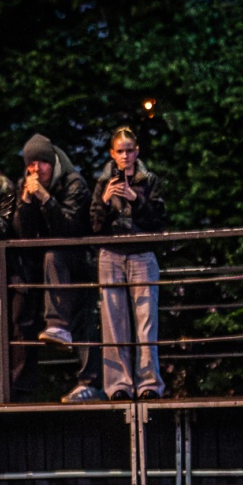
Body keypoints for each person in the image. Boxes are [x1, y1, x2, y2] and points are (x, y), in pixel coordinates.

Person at [10, 133, 99, 403]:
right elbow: (24, 236)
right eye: (31, 164)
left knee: (84, 320)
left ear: (53, 162)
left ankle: (90, 382)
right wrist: (26, 203)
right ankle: (20, 391)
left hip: (78, 261)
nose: (36, 169)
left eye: (42, 162)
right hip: (46, 269)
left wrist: (46, 198)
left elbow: (67, 230)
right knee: (22, 316)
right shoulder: (25, 186)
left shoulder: (74, 183)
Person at [90, 127, 168, 401]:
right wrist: (104, 200)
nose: (125, 156)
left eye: (129, 150)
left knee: (147, 323)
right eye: (120, 151)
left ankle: (149, 384)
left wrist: (136, 199)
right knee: (113, 323)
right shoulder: (103, 182)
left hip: (142, 253)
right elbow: (94, 227)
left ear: (137, 152)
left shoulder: (149, 181)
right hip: (111, 255)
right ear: (112, 153)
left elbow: (158, 220)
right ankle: (118, 386)